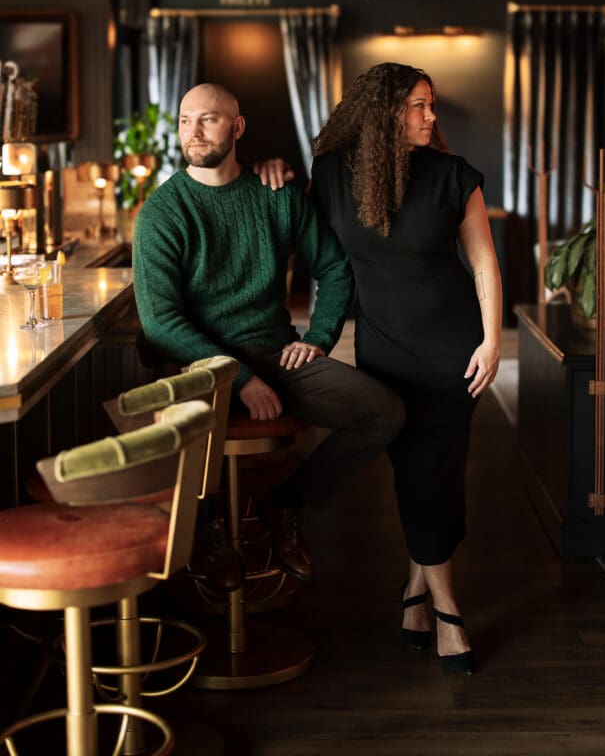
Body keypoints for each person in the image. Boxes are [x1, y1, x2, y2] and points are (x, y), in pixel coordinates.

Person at [132, 82, 405, 581]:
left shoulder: (276, 197)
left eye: (208, 119)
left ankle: (287, 503)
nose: (193, 132)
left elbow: (336, 268)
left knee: (383, 413)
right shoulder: (162, 213)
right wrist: (237, 378)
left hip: (279, 355)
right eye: (186, 120)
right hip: (201, 368)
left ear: (237, 127)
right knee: (180, 435)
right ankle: (206, 530)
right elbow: (161, 323)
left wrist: (318, 338)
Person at [309, 62, 502, 674]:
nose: (430, 116)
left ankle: (444, 609)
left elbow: (483, 268)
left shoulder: (452, 176)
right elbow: (322, 258)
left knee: (432, 471)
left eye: (431, 104)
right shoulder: (332, 177)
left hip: (454, 349)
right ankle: (415, 592)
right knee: (416, 470)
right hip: (385, 348)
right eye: (419, 105)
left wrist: (493, 340)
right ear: (384, 111)